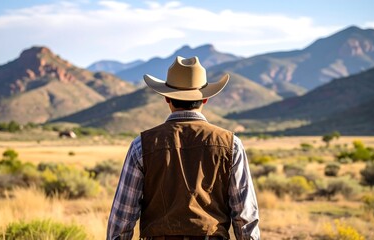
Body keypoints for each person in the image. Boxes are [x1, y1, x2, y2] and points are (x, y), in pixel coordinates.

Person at [107, 56, 260, 240]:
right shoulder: (231, 144)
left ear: (166, 98)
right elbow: (245, 217)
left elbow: (122, 218)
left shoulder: (141, 145)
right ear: (205, 99)